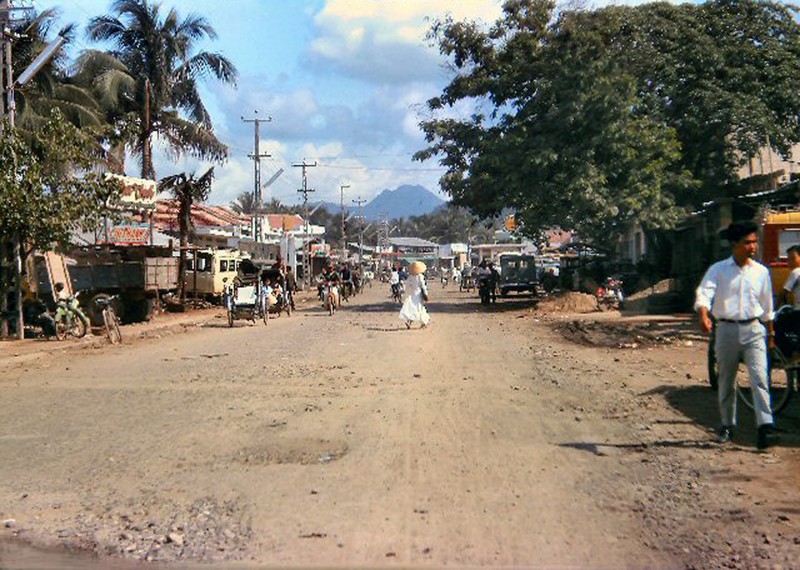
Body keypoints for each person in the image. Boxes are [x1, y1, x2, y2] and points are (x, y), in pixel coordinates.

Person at [695, 221, 779, 450]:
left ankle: (765, 426)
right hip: (726, 330)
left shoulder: (761, 272)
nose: (753, 246)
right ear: (734, 244)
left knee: (760, 378)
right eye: (747, 242)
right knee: (726, 380)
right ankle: (727, 425)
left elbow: (767, 306)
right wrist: (704, 315)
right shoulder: (718, 270)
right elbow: (704, 294)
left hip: (754, 330)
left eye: (754, 242)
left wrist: (770, 334)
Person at [400, 261, 430, 329]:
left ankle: (409, 321)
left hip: (412, 293)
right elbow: (423, 286)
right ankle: (423, 322)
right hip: (418, 294)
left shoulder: (410, 277)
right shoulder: (420, 276)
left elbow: (407, 285)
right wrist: (426, 293)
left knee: (411, 307)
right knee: (419, 308)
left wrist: (406, 293)